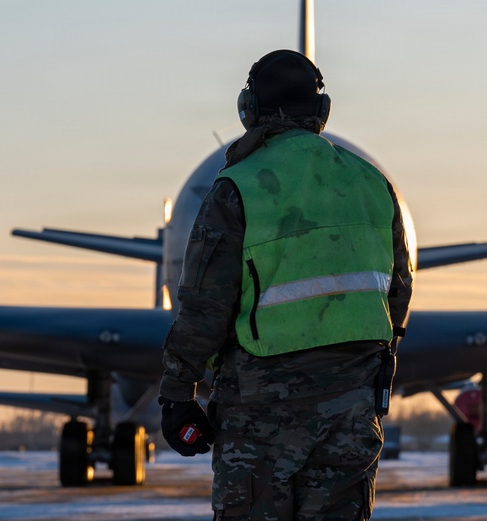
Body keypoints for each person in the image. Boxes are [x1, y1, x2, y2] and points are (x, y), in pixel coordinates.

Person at [159, 49, 413, 521]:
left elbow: (204, 306)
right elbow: (398, 292)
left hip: (262, 415)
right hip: (351, 411)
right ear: (321, 111)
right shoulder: (373, 184)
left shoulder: (238, 186)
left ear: (247, 109)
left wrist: (178, 392)